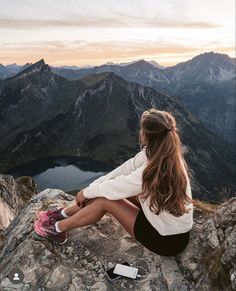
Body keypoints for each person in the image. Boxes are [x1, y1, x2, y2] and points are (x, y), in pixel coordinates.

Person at [34, 108, 194, 256]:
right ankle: (60, 214)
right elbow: (124, 169)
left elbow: (116, 187)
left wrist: (88, 192)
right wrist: (91, 188)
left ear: (146, 135)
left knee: (105, 199)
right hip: (163, 222)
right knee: (101, 191)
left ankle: (55, 228)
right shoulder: (162, 154)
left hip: (167, 240)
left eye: (141, 129)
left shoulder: (151, 171)